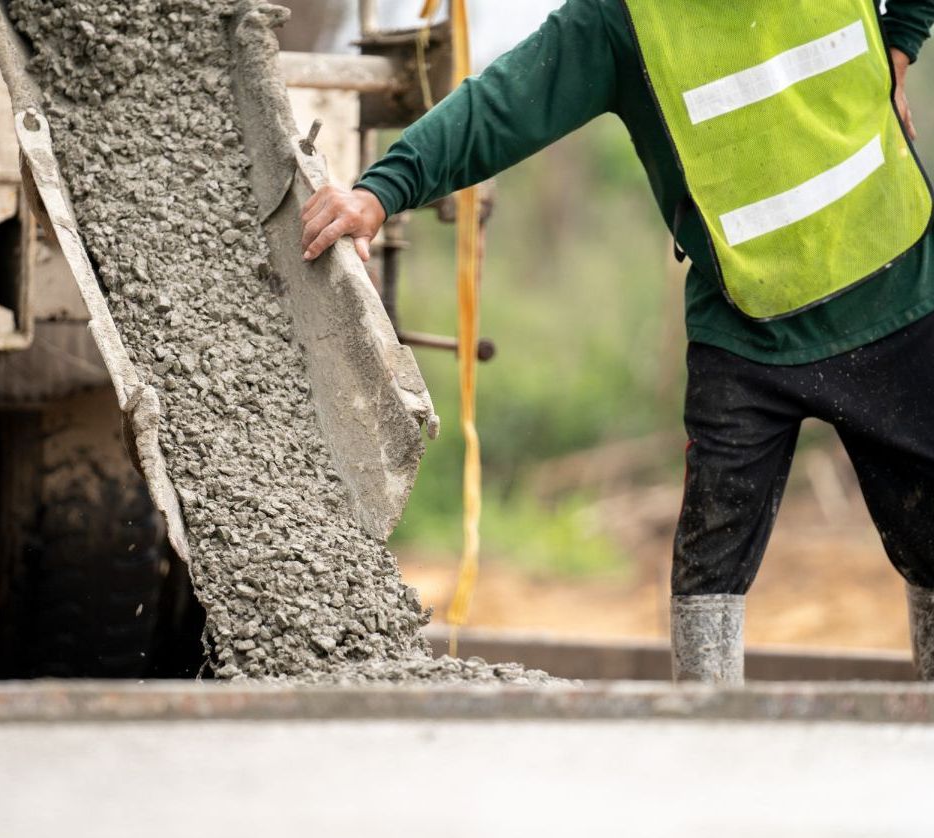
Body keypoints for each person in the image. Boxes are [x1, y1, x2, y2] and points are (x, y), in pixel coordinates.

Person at [300, 0, 934, 684]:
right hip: (745, 328)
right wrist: (380, 193)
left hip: (899, 293)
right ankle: (706, 730)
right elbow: (504, 103)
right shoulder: (624, 18)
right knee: (708, 570)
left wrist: (901, 41)